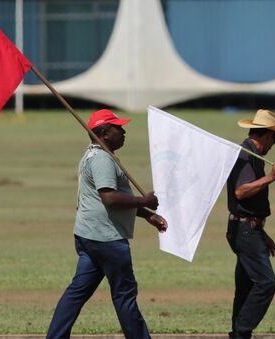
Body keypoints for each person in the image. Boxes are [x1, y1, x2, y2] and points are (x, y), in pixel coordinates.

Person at [46, 109, 168, 339]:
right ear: (104, 132)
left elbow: (112, 197)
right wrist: (145, 200)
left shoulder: (93, 155)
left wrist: (147, 214)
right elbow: (110, 199)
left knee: (76, 293)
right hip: (107, 240)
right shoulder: (102, 159)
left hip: (88, 236)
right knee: (124, 295)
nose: (124, 132)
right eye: (118, 128)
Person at [226, 109, 275, 339]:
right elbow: (241, 192)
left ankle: (238, 333)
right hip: (244, 231)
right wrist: (271, 178)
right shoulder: (246, 155)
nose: (274, 144)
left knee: (245, 287)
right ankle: (242, 333)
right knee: (265, 283)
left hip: (248, 229)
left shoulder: (253, 154)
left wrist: (261, 232)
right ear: (266, 135)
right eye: (274, 138)